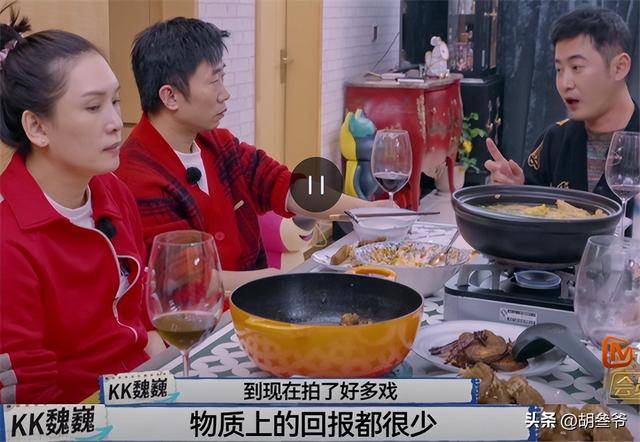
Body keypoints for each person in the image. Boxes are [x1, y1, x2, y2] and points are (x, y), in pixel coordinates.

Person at [116, 17, 390, 289]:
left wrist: (366, 210)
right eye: (214, 81)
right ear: (170, 96)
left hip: (249, 300)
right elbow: (183, 279)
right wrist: (274, 281)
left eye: (223, 78)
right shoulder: (136, 176)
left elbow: (285, 185)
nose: (225, 94)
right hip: (204, 313)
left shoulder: (219, 144)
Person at [0, 6, 164, 403]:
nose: (115, 122)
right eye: (93, 107)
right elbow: (32, 403)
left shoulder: (112, 190)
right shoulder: (8, 239)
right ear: (37, 127)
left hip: (143, 386)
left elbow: (140, 311)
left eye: (116, 101)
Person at [485, 7, 638, 228]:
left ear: (619, 67)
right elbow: (532, 219)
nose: (565, 83)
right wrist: (516, 192)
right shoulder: (554, 139)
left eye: (577, 67)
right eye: (559, 69)